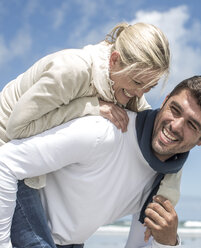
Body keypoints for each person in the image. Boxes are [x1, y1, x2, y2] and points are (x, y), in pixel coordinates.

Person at [0, 75, 201, 247]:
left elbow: (137, 246)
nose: (175, 125)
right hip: (15, 215)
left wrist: (168, 242)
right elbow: (5, 162)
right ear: (165, 100)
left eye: (192, 125)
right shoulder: (105, 132)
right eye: (175, 110)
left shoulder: (164, 182)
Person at [0, 22, 183, 217]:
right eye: (137, 82)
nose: (139, 93)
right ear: (114, 60)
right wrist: (91, 106)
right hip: (7, 158)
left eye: (150, 87)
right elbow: (17, 128)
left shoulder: (129, 86)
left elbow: (157, 135)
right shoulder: (72, 70)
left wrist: (168, 195)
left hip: (34, 164)